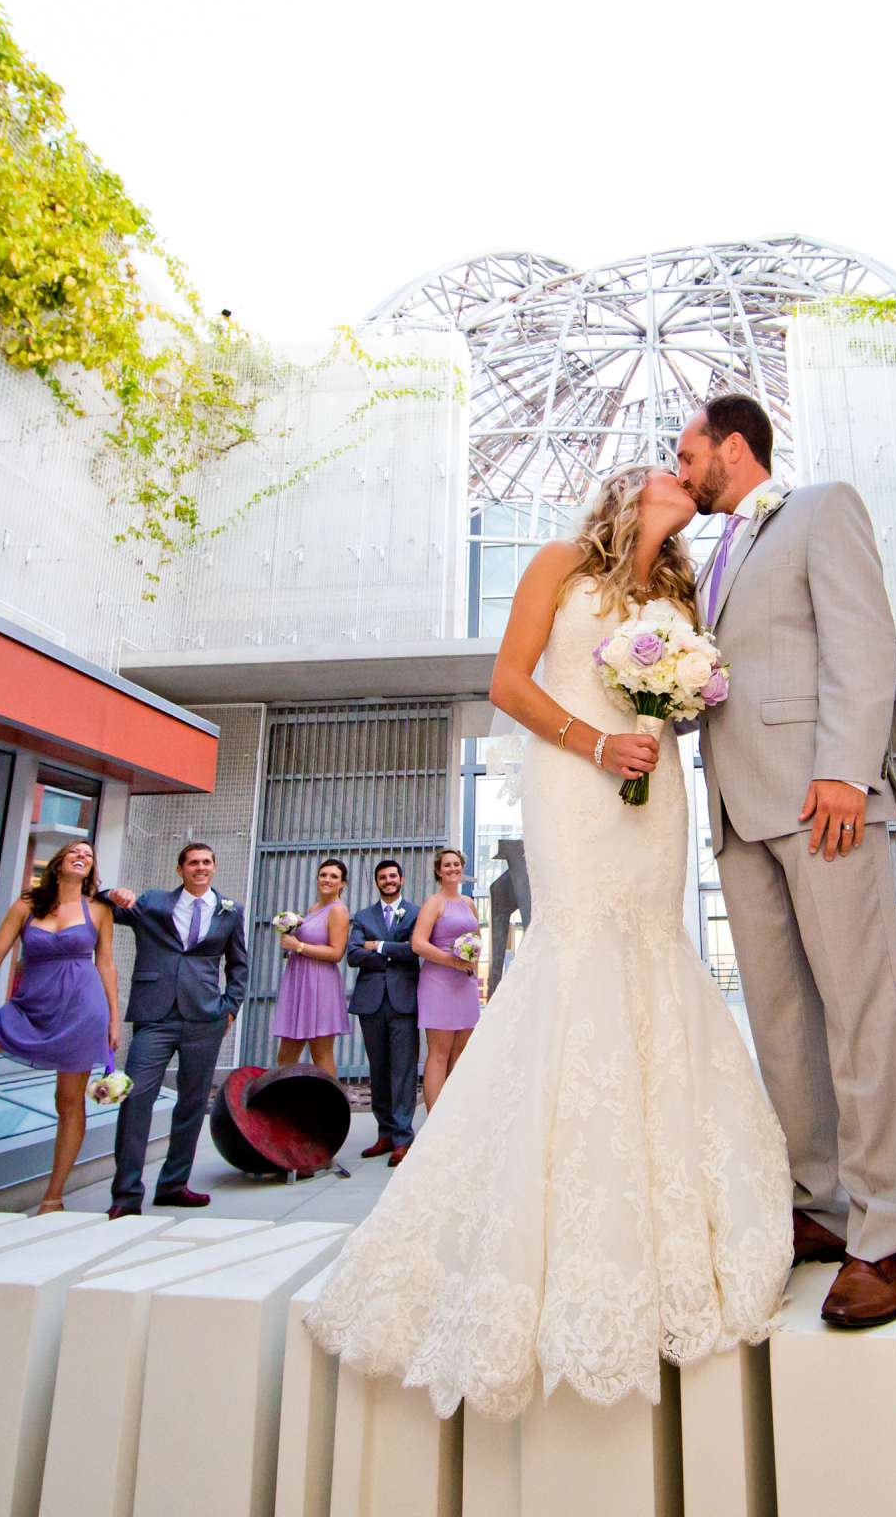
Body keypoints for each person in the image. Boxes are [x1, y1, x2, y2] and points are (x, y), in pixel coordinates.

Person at [305, 460, 789, 1420]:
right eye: (665, 467)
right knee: (581, 953)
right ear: (625, 490)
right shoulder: (560, 566)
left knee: (654, 948)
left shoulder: (678, 591)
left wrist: (669, 708)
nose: (680, 474)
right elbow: (507, 685)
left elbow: (689, 700)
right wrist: (598, 742)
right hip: (576, 784)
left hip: (652, 797)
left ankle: (672, 1217)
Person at [678, 392, 896, 1327]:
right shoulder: (713, 561)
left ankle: (884, 1232)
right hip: (740, 815)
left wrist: (847, 774)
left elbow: (864, 641)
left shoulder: (823, 508)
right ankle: (818, 1207)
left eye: (688, 450)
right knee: (781, 1025)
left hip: (823, 801)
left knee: (864, 1014)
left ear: (732, 448)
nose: (682, 467)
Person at [0, 839, 118, 1214]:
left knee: (68, 1102)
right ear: (58, 862)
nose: (83, 856)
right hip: (28, 1007)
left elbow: (106, 965)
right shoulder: (26, 905)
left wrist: (115, 1019)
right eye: (75, 852)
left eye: (89, 855)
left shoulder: (99, 910)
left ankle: (53, 1196)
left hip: (83, 1011)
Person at [101, 842, 250, 1216]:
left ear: (214, 867)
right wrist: (110, 893)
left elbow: (238, 964)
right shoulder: (153, 904)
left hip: (205, 1017)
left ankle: (173, 1184)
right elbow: (104, 907)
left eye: (206, 862)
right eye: (193, 863)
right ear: (180, 869)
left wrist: (230, 1007)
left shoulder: (230, 911)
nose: (200, 868)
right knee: (136, 1099)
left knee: (192, 1103)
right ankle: (125, 1194)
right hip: (155, 1015)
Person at [346, 857, 421, 1163]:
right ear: (376, 882)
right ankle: (385, 1134)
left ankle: (403, 1137)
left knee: (403, 1071)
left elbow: (414, 949)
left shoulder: (416, 913)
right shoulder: (363, 916)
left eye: (393, 876)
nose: (388, 880)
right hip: (371, 1001)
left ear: (401, 879)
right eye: (382, 877)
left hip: (404, 1000)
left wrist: (377, 947)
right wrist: (394, 952)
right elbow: (352, 954)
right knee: (378, 1070)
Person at [411, 848, 482, 1112]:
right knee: (439, 1054)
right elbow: (418, 943)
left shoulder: (468, 903)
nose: (452, 869)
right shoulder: (434, 903)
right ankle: (435, 1122)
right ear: (439, 871)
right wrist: (451, 960)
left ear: (461, 868)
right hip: (438, 982)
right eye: (447, 865)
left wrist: (471, 962)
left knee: (460, 1054)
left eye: (456, 864)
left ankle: (455, 1115)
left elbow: (476, 938)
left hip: (464, 984)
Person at [274, 858, 351, 1077]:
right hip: (299, 982)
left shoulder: (338, 911)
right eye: (323, 875)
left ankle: (331, 1108)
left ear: (342, 883)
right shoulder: (313, 908)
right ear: (317, 879)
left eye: (334, 876)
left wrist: (298, 946)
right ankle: (283, 1106)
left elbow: (336, 952)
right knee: (286, 1055)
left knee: (321, 1054)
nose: (327, 880)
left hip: (320, 983)